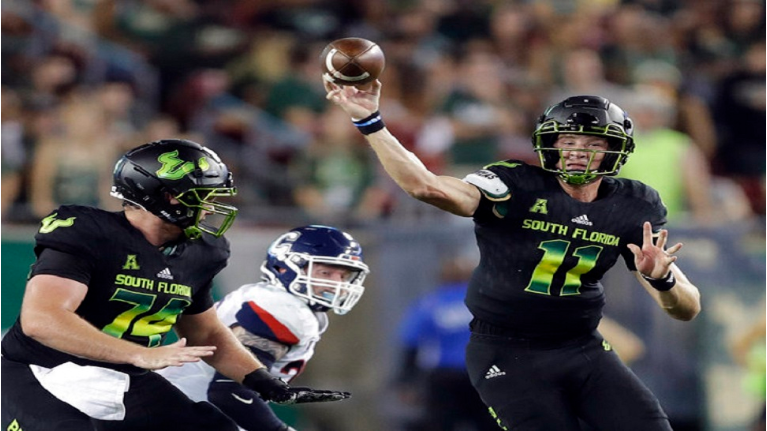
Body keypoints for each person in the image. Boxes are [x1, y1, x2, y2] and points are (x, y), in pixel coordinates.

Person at [325, 81, 702, 431]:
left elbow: (686, 308)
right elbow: (427, 187)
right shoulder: (514, 184)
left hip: (581, 346)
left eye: (591, 143)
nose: (576, 153)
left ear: (614, 150)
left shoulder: (633, 204)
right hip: (506, 351)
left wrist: (661, 279)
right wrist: (369, 121)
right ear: (549, 143)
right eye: (568, 141)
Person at [0, 139, 350, 431]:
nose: (214, 204)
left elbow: (207, 333)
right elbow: (42, 320)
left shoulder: (201, 251)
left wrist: (264, 383)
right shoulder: (88, 232)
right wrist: (140, 353)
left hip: (126, 374)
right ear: (166, 196)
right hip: (40, 368)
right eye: (204, 194)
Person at [158, 224, 370, 431]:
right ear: (284, 267)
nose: (337, 283)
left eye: (343, 275)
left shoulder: (271, 300)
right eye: (326, 273)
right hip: (189, 415)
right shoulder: (282, 309)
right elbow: (229, 392)